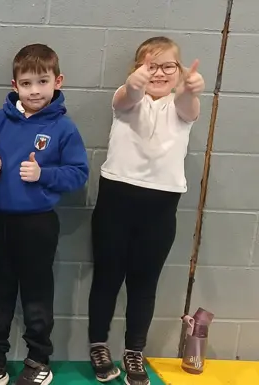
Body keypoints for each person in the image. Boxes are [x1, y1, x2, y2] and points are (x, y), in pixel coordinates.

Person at [0, 43, 89, 385]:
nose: (35, 90)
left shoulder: (64, 128)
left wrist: (44, 175)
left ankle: (38, 361)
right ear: (15, 85)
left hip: (37, 224)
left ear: (57, 81)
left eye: (42, 81)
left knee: (36, 295)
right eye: (27, 83)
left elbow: (79, 173)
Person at [87, 36, 204, 385]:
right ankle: (98, 345)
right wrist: (135, 83)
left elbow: (188, 106)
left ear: (179, 71)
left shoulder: (181, 106)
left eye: (169, 66)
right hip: (116, 197)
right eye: (151, 66)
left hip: (161, 205)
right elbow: (128, 95)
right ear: (137, 69)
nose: (160, 73)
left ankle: (134, 350)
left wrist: (190, 89)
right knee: (107, 278)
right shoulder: (126, 99)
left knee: (144, 283)